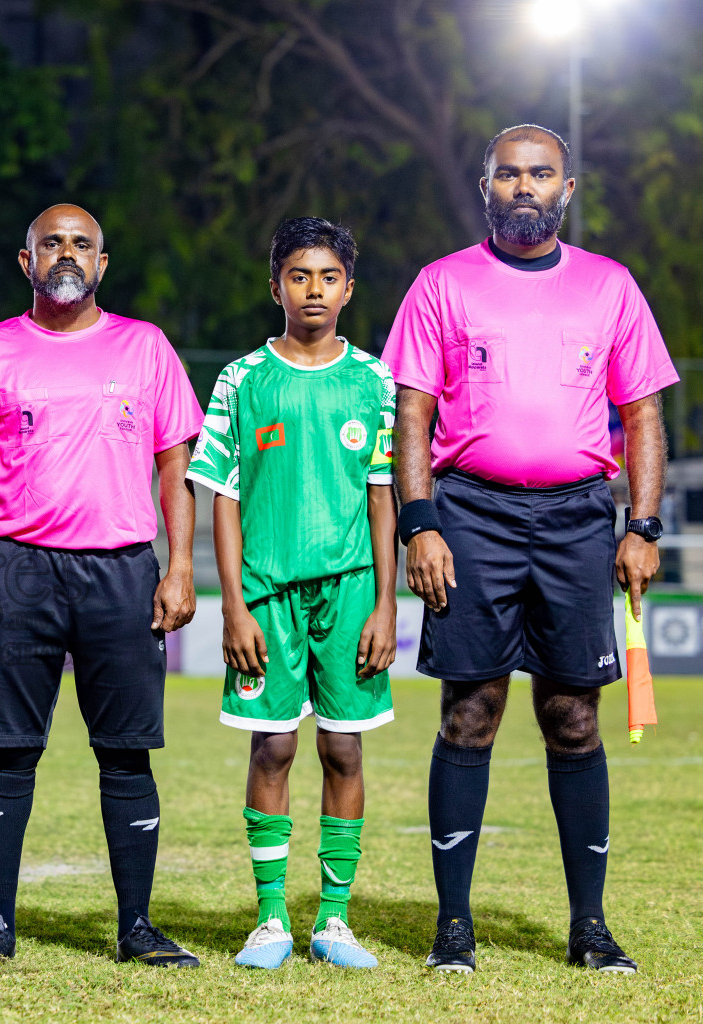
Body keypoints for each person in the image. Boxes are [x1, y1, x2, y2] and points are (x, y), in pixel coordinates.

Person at [385, 124, 675, 975]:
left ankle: (590, 927)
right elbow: (412, 414)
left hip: (580, 518)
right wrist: (420, 521)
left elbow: (643, 415)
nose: (523, 187)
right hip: (470, 515)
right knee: (469, 712)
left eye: (539, 174)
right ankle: (453, 930)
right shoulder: (442, 284)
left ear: (567, 188)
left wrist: (643, 526)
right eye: (508, 174)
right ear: (486, 185)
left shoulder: (610, 287)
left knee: (572, 717)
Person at [0, 204, 203, 968]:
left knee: (126, 754)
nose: (66, 253)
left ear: (102, 263)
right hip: (16, 569)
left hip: (120, 571)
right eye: (50, 242)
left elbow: (175, 468)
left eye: (81, 243)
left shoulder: (145, 347)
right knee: (10, 750)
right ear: (26, 262)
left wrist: (179, 567)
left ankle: (138, 927)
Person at [189, 218, 397, 970]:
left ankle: (334, 920)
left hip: (350, 593)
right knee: (272, 744)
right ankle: (271, 919)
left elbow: (382, 495)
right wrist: (233, 606)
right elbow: (220, 494)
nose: (314, 290)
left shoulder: (373, 380)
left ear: (349, 287)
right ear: (274, 284)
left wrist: (386, 603)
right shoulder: (242, 380)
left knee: (343, 748)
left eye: (328, 276)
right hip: (266, 596)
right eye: (299, 275)